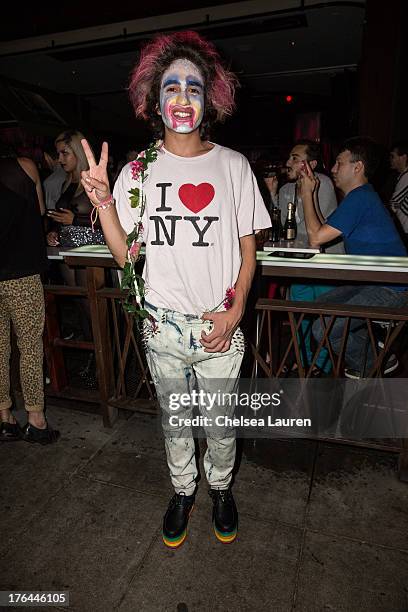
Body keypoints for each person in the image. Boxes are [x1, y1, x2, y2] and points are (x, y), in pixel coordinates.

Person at [79, 31, 271, 547]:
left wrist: (234, 313)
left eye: (193, 87)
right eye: (171, 87)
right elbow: (126, 257)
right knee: (176, 421)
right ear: (154, 99)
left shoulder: (233, 167)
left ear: (210, 98)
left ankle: (221, 489)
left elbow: (249, 251)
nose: (181, 98)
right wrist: (104, 203)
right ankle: (184, 491)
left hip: (219, 323)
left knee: (222, 426)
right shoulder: (138, 171)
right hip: (161, 325)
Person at [298, 137, 408, 378]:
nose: (334, 169)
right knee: (317, 308)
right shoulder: (360, 197)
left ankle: (372, 362)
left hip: (394, 289)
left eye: (339, 163)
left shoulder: (361, 197)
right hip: (372, 282)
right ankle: (373, 348)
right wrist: (313, 192)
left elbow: (316, 237)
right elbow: (325, 229)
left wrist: (306, 193)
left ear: (358, 167)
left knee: (323, 328)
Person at [265, 140, 343, 374]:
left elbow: (319, 231)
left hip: (324, 262)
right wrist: (272, 193)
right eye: (289, 157)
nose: (288, 163)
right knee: (301, 316)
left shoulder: (323, 184)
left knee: (324, 317)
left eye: (295, 158)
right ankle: (304, 361)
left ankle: (322, 366)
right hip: (300, 263)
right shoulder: (287, 189)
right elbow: (278, 226)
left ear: (312, 164)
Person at [0, 144, 60, 443]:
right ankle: (36, 419)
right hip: (21, 272)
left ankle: (4, 418)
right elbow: (38, 211)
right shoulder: (24, 166)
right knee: (30, 347)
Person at [389, 140, 408, 243]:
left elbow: (393, 205)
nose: (390, 160)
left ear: (403, 157)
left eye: (393, 156)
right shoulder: (402, 176)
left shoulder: (407, 176)